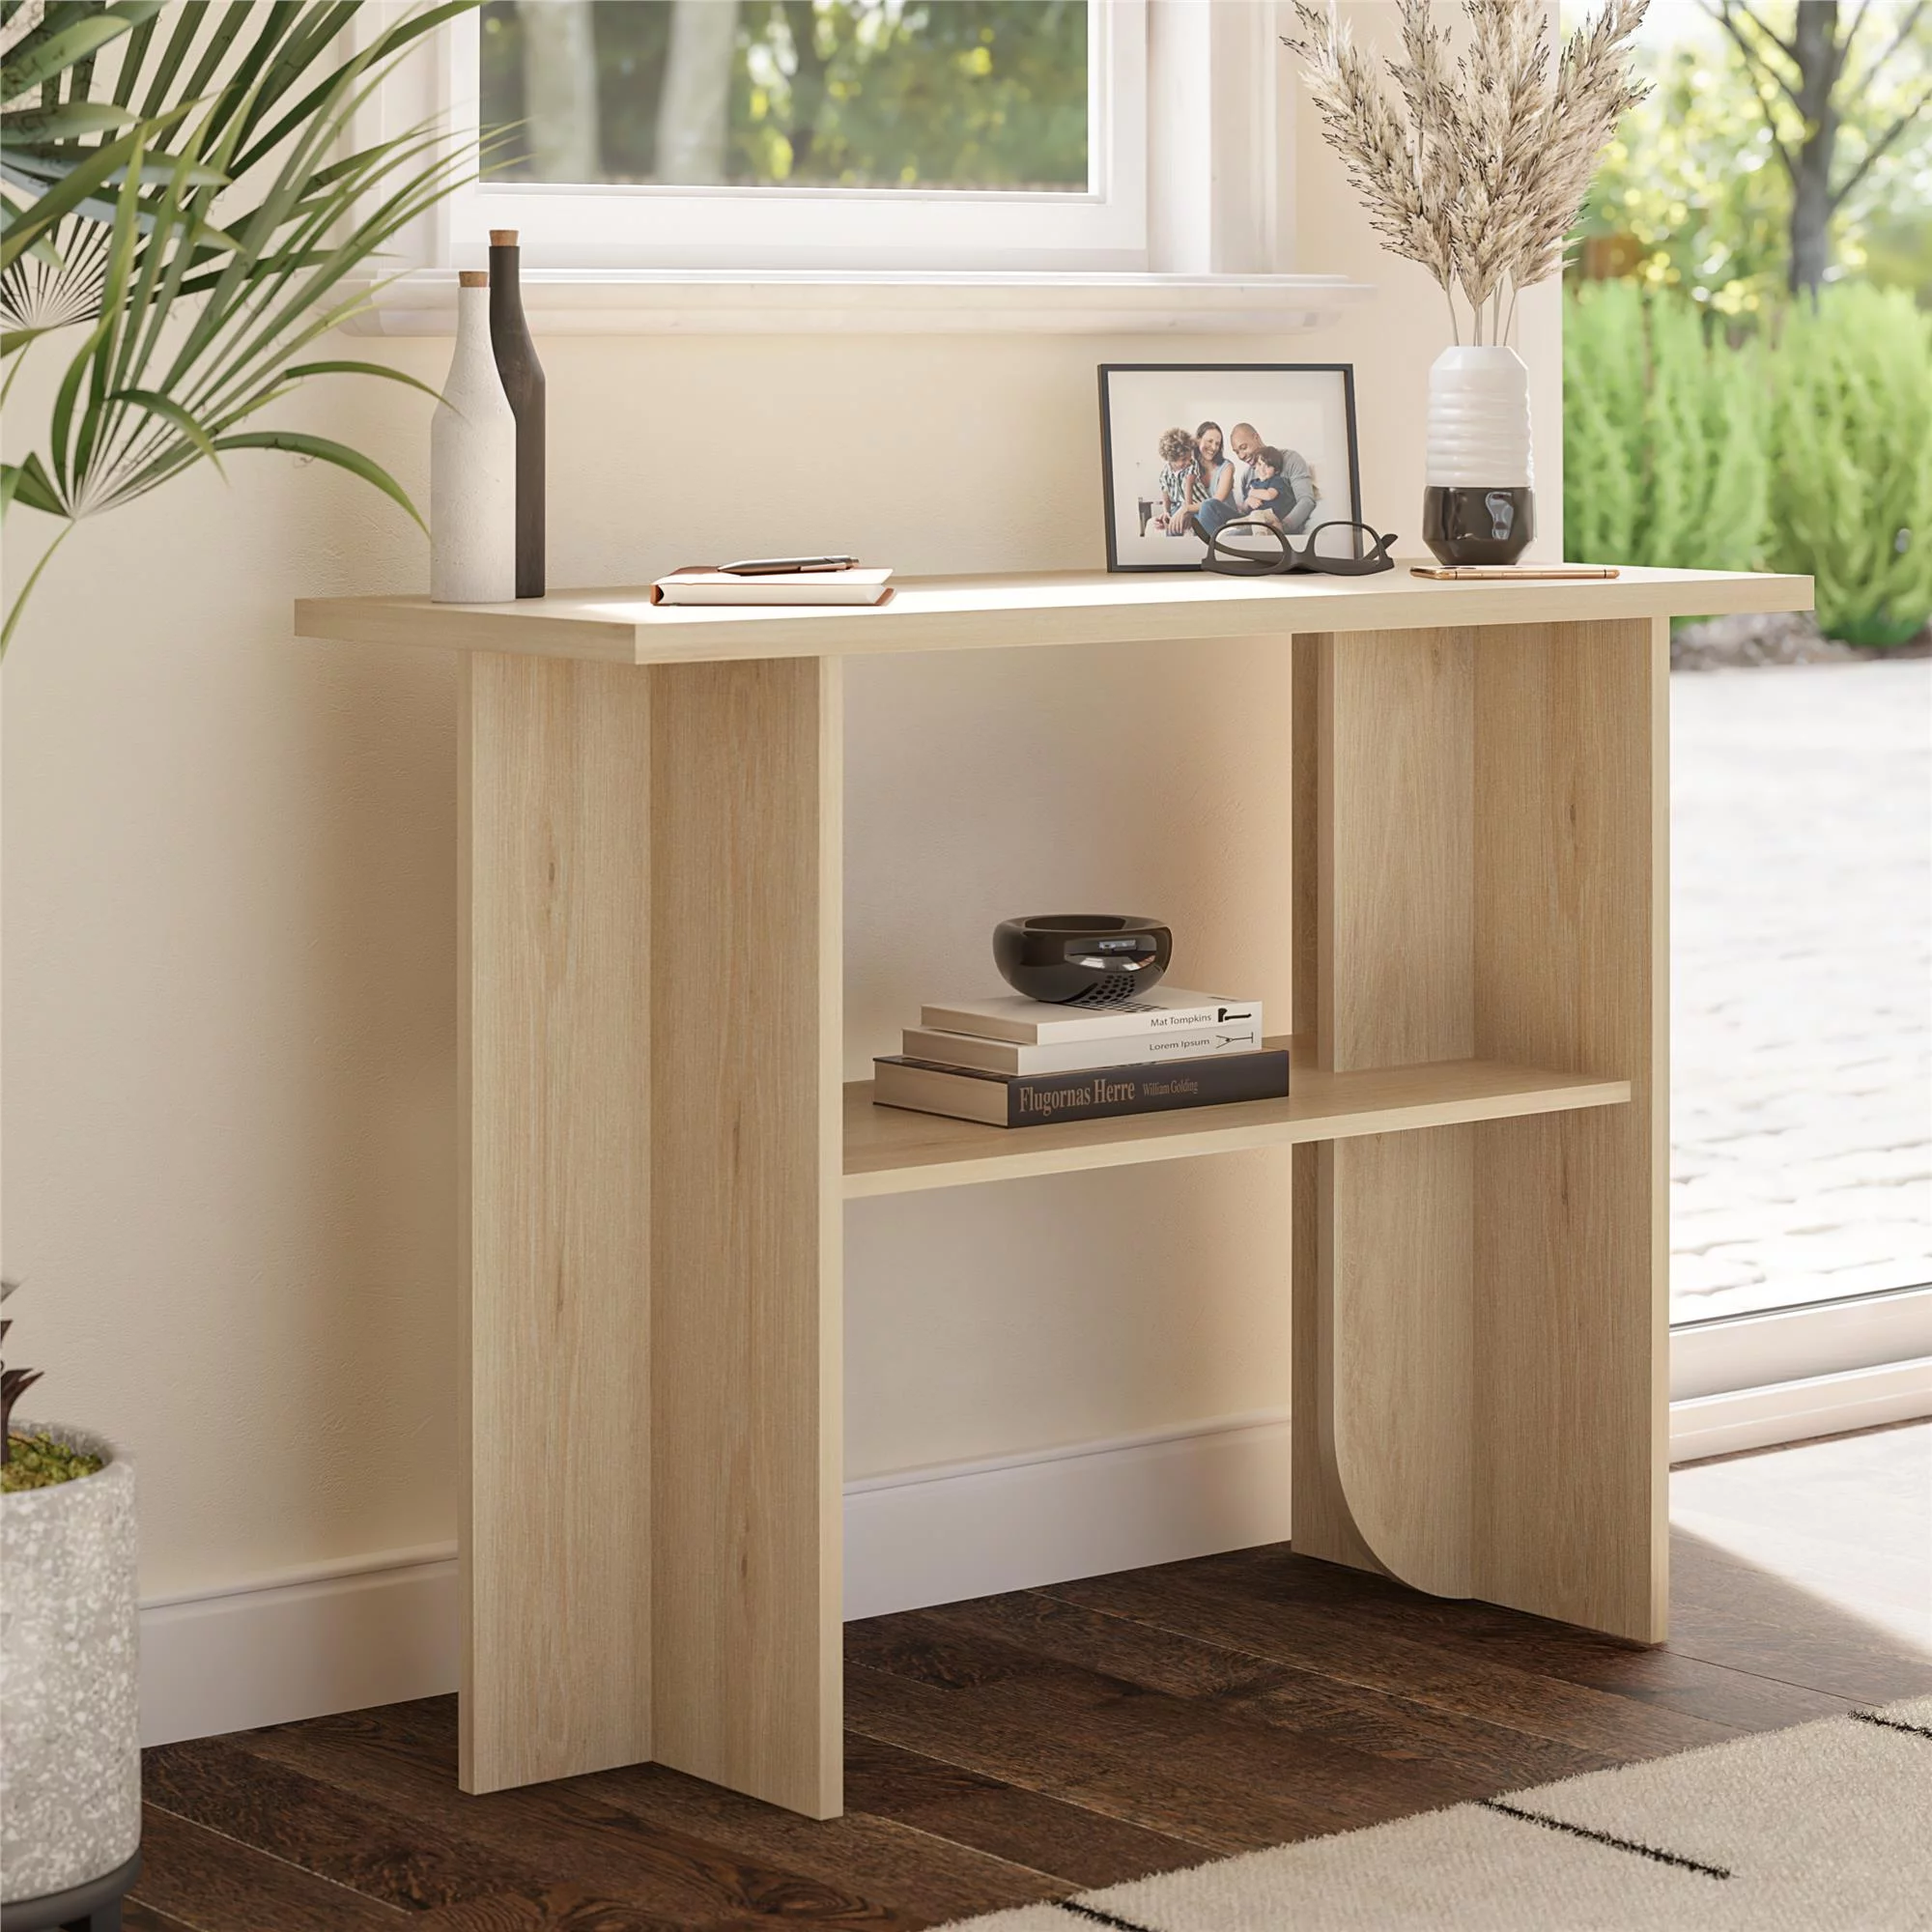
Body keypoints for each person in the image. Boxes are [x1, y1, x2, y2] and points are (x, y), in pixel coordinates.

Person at [1227, 421, 1318, 534]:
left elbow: (1306, 500)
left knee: (1232, 536)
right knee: (1210, 508)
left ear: (1256, 438)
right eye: (1236, 452)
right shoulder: (1247, 475)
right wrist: (1248, 501)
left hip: (1278, 526)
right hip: (1254, 521)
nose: (1241, 456)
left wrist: (1283, 526)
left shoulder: (1290, 459)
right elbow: (1246, 511)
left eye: (1244, 447)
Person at [1149, 426, 1205, 537]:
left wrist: (1187, 512)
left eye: (1189, 457)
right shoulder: (1165, 473)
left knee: (1187, 523)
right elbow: (1166, 496)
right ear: (1171, 459)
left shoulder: (1192, 466)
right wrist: (1166, 513)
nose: (1188, 462)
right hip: (1178, 506)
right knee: (1170, 526)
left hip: (1195, 505)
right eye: (1183, 459)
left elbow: (1188, 488)